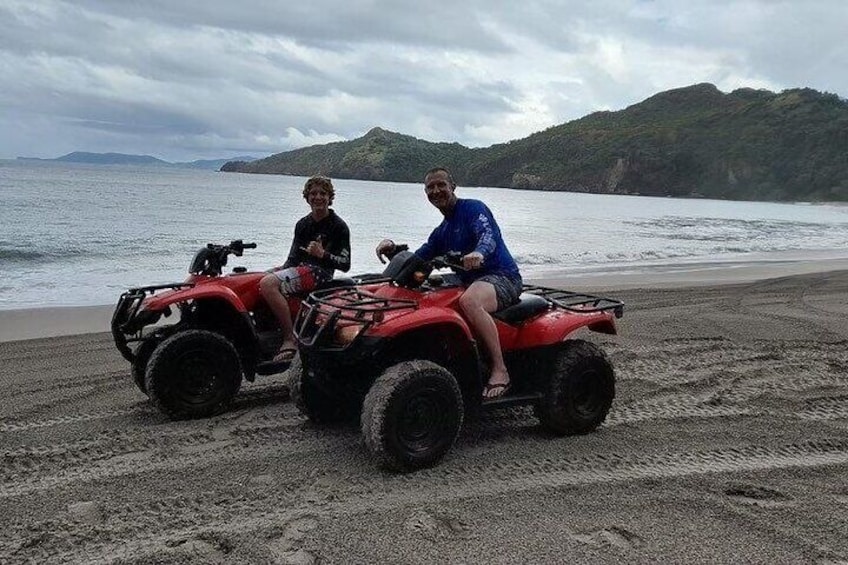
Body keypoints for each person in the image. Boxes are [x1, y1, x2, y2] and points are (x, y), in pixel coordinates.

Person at [375, 167, 522, 399]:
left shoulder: (474, 209)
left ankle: (499, 369)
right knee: (425, 295)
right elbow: (420, 258)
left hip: (502, 277)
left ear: (452, 186)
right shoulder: (442, 231)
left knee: (470, 302)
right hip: (468, 279)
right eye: (430, 187)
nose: (436, 190)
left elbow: (487, 235)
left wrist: (479, 253)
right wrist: (393, 250)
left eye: (440, 185)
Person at [261, 175, 351, 362]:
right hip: (301, 269)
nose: (318, 197)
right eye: (313, 193)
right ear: (307, 197)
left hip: (321, 273)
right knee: (259, 278)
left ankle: (289, 339)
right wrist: (277, 271)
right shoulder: (303, 224)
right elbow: (293, 258)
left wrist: (322, 254)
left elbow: (345, 264)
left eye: (322, 193)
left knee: (269, 284)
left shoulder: (339, 226)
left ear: (330, 197)